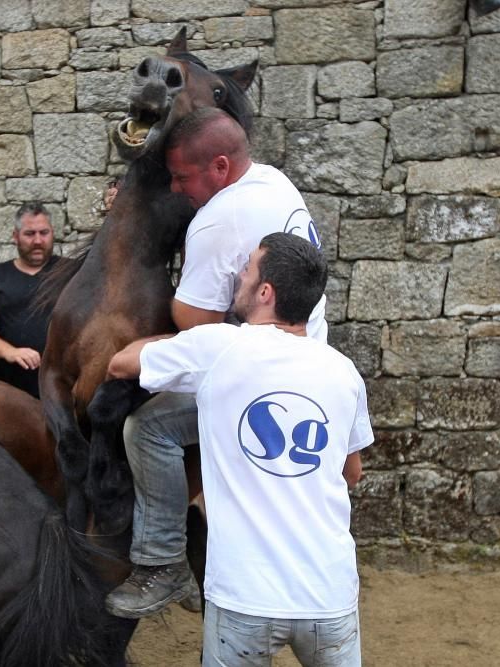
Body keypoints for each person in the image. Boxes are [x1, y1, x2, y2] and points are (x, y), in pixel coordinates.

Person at [105, 107, 330, 618]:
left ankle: (163, 562)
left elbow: (194, 319)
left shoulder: (219, 219)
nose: (178, 189)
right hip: (313, 355)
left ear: (221, 168)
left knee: (148, 428)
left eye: (183, 177)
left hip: (258, 374)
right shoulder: (272, 179)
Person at [105, 234, 371, 665]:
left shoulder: (218, 346)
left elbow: (121, 364)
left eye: (247, 269)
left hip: (245, 596)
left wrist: (166, 339)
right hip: (330, 595)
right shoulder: (344, 371)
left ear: (265, 292)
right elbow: (351, 472)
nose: (239, 276)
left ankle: (161, 557)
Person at [0, 202, 62, 399]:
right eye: (30, 234)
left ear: (52, 233)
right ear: (15, 236)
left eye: (43, 233)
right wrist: (11, 352)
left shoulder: (70, 272)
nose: (38, 240)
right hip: (11, 390)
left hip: (63, 386)